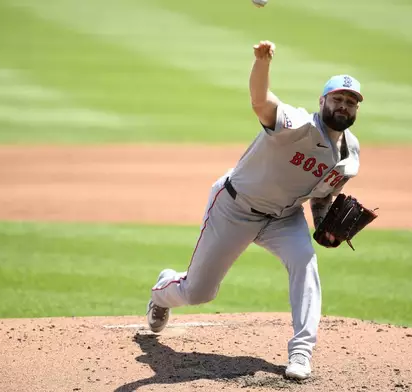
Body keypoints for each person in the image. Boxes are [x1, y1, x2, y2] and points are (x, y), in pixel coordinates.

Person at [146, 40, 364, 380]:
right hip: (234, 208)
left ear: (356, 111)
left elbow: (322, 197)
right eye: (337, 98)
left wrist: (325, 226)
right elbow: (261, 101)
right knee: (198, 292)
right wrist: (262, 62)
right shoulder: (296, 125)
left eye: (351, 102)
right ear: (322, 101)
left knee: (305, 264)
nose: (343, 106)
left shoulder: (350, 156)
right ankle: (163, 290)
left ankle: (302, 353)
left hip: (284, 218)